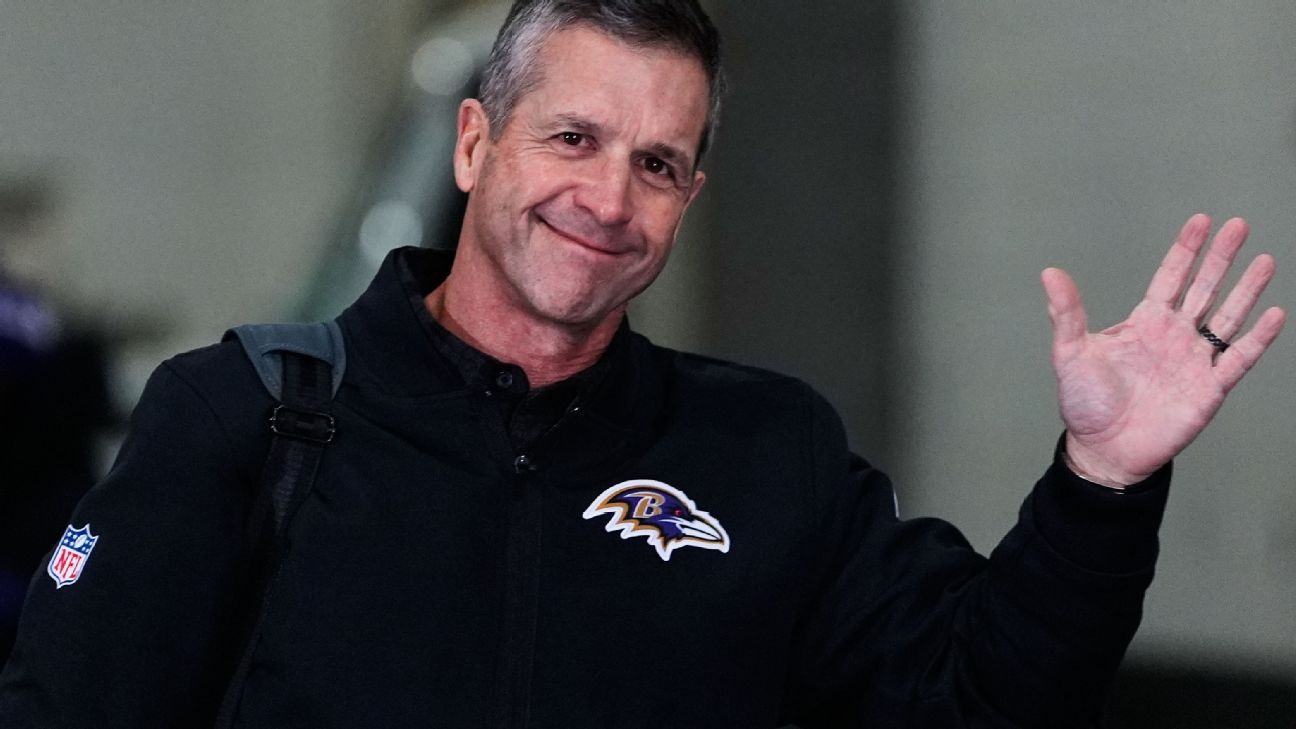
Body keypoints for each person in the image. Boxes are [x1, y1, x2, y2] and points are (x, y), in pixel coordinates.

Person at [0, 1, 1285, 727]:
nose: (608, 199)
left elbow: (981, 697)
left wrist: (1102, 483)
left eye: (657, 164)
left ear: (688, 198)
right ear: (474, 146)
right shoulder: (251, 419)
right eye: (572, 138)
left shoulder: (765, 453)